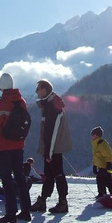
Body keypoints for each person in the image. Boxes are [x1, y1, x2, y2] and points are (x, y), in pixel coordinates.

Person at [0, 72, 32, 223]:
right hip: (18, 145)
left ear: (1, 87)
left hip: (3, 146)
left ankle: (11, 213)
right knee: (20, 177)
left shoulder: (2, 103)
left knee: (6, 179)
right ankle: (26, 211)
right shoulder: (22, 102)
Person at [30, 79, 73, 214]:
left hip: (54, 148)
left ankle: (62, 202)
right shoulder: (49, 104)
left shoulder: (52, 107)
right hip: (52, 147)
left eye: (38, 89)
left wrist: (48, 152)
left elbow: (52, 131)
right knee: (49, 174)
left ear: (45, 90)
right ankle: (43, 200)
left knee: (58, 174)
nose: (36, 92)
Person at [90, 126, 112, 198]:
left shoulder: (102, 143)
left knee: (100, 179)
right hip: (100, 166)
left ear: (96, 135)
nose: (91, 136)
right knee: (107, 180)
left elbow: (108, 154)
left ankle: (102, 194)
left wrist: (109, 163)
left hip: (105, 166)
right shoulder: (95, 144)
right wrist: (95, 166)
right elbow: (96, 157)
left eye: (92, 135)